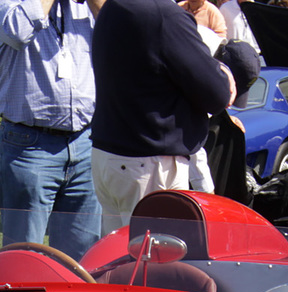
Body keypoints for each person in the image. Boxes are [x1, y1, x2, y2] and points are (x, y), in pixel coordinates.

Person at [90, 0, 235, 230]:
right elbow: (217, 95)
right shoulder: (165, 16)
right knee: (156, 262)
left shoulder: (114, 6)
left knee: (117, 261)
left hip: (112, 159)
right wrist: (223, 72)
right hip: (148, 163)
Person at [0, 0, 102, 259]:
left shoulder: (82, 6)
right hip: (28, 146)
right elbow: (17, 31)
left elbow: (119, 34)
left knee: (82, 257)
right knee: (24, 258)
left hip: (86, 142)